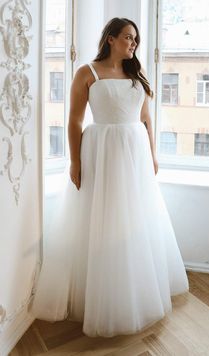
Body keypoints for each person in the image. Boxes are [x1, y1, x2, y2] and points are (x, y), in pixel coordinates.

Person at [30, 17, 189, 338]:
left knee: (134, 219)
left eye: (136, 40)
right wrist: (75, 161)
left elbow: (145, 118)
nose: (133, 44)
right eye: (129, 38)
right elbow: (74, 122)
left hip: (135, 154)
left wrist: (154, 154)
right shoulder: (86, 73)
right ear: (111, 39)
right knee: (101, 218)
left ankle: (134, 291)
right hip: (100, 151)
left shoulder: (136, 74)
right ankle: (100, 295)